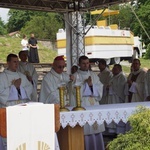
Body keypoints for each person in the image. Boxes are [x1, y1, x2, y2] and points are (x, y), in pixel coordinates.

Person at [0, 53, 33, 150]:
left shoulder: (21, 75)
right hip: (8, 111)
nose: (16, 64)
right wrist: (14, 87)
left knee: (22, 135)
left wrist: (19, 88)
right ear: (8, 63)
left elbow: (29, 88)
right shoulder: (2, 77)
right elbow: (1, 94)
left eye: (17, 62)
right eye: (14, 62)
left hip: (22, 109)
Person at [71, 56, 105, 150]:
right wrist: (86, 85)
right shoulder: (75, 76)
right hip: (83, 104)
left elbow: (100, 87)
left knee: (96, 129)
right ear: (79, 64)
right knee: (86, 129)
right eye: (83, 63)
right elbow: (74, 91)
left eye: (87, 63)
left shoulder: (93, 75)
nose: (86, 65)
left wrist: (91, 86)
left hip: (94, 104)